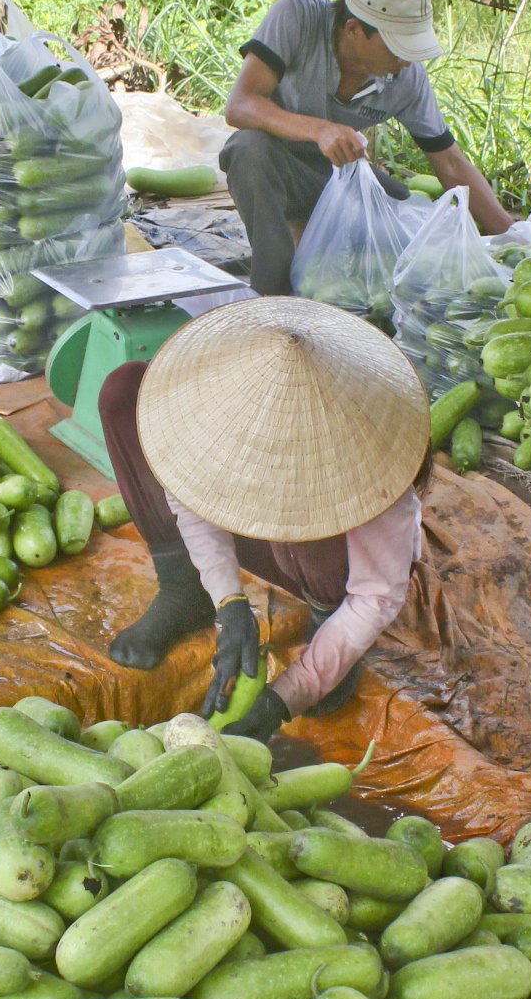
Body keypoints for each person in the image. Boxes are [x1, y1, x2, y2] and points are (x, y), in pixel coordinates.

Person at [99, 296, 432, 743]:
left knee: (308, 518)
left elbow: (375, 597)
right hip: (251, 537)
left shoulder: (372, 460)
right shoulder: (210, 405)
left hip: (329, 564)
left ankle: (324, 616)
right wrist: (229, 603)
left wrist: (293, 692)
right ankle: (183, 589)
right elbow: (189, 494)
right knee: (126, 389)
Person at [224, 0, 512, 295]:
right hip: (278, 169)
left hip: (340, 176)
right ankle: (274, 298)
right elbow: (241, 104)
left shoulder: (407, 77)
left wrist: (514, 238)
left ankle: (347, 288)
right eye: (397, 46)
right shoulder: (296, 17)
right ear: (354, 30)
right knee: (247, 150)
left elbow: (449, 162)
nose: (406, 59)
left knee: (402, 213)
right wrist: (320, 130)